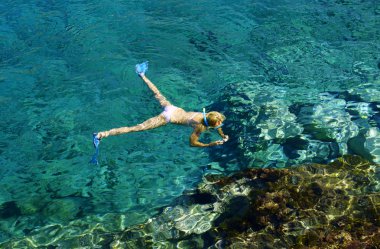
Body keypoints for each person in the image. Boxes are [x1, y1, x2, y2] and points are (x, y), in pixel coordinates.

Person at [94, 62, 229, 147]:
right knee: (135, 128)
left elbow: (216, 124)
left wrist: (222, 135)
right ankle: (102, 134)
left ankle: (141, 74)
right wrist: (210, 144)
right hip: (167, 118)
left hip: (172, 108)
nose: (220, 124)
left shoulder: (205, 115)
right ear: (209, 124)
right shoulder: (200, 127)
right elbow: (192, 143)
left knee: (156, 92)